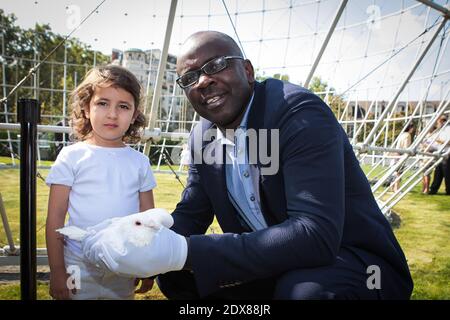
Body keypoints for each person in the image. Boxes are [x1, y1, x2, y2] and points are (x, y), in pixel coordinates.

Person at [84, 31, 414, 300]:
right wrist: (141, 239)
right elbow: (192, 213)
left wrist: (183, 250)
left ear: (248, 71)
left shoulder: (296, 112)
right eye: (189, 78)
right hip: (276, 263)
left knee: (303, 293)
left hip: (353, 261)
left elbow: (316, 236)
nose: (202, 81)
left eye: (215, 65)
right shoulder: (203, 136)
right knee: (177, 279)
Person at [45, 65, 157, 300]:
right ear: (86, 108)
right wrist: (57, 271)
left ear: (135, 115)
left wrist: (148, 266)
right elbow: (55, 218)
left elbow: (148, 220)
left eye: (123, 106)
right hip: (77, 262)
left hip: (123, 263)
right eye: (102, 103)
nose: (112, 114)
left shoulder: (140, 162)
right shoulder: (71, 156)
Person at [428, 115, 450, 195]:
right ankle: (433, 189)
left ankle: (448, 190)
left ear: (442, 121)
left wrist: (440, 141)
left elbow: (448, 142)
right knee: (438, 172)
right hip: (440, 153)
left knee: (447, 173)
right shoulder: (440, 130)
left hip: (447, 153)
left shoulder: (448, 129)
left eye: (438, 121)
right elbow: (435, 143)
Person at [391, 124, 415, 193]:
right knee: (399, 173)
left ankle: (393, 187)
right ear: (410, 128)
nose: (413, 129)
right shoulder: (407, 135)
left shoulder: (402, 134)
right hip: (401, 155)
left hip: (397, 154)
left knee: (396, 172)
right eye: (413, 128)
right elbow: (406, 146)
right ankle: (397, 189)